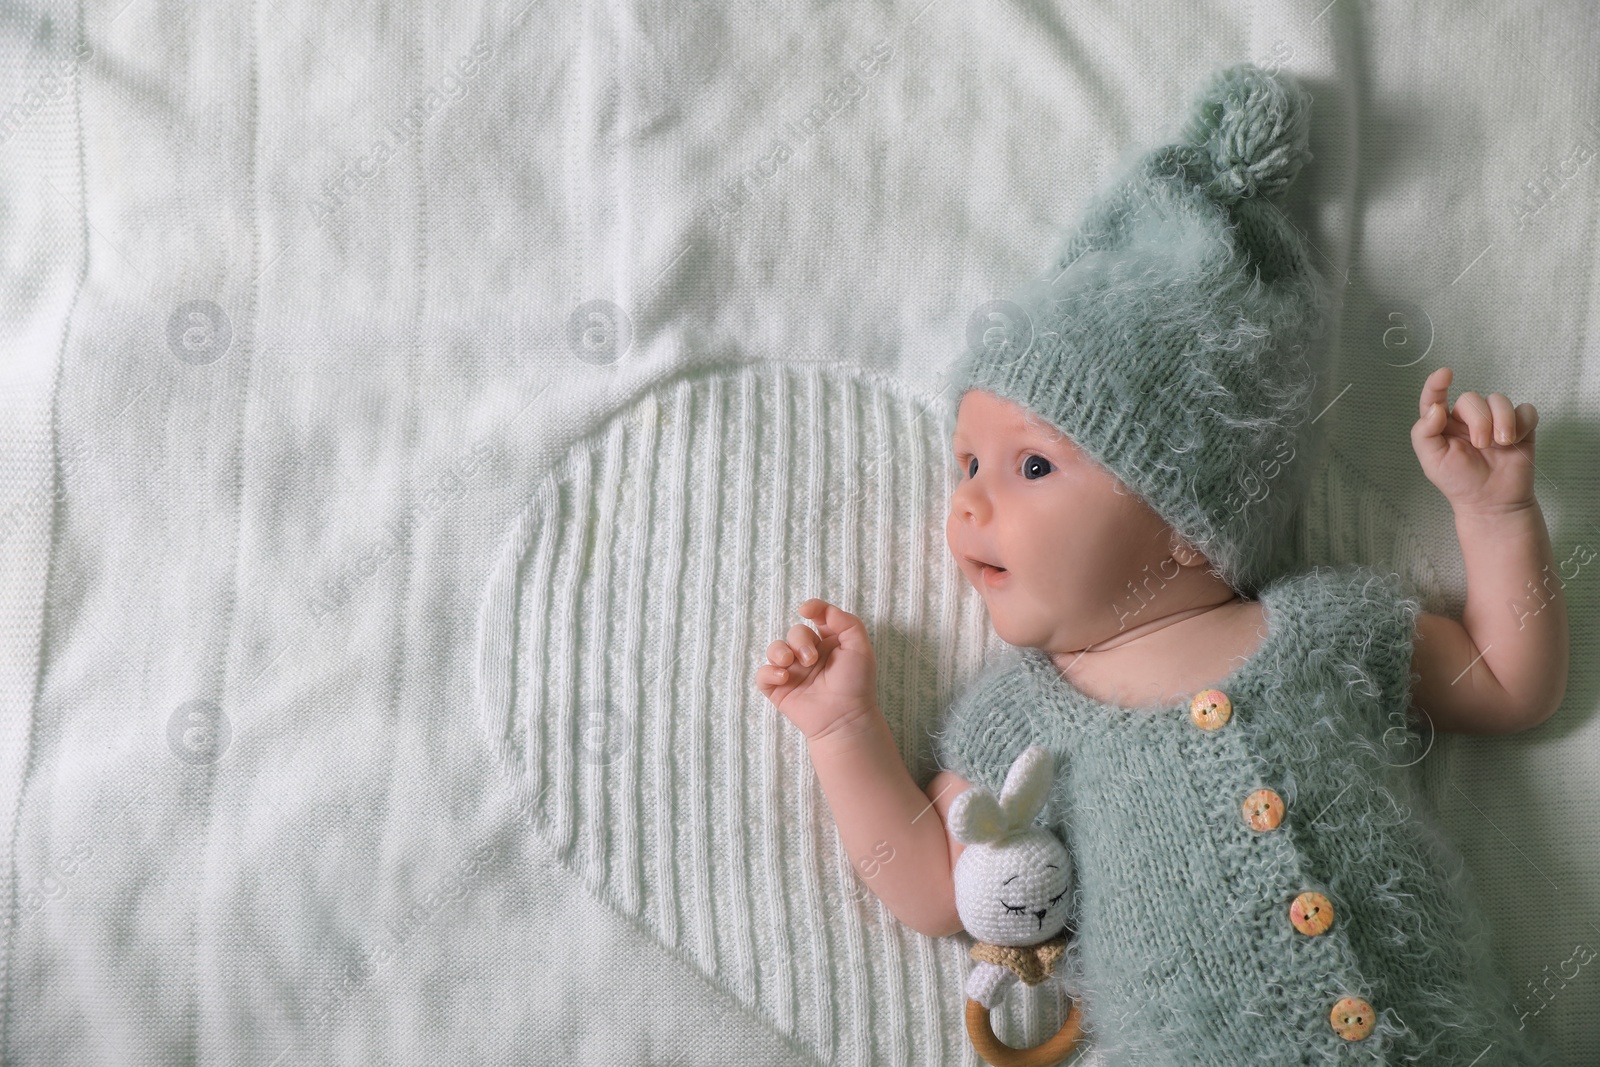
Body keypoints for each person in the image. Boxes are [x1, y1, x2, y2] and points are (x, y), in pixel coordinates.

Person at [755, 63, 1567, 1064]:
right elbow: (931, 884)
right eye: (965, 463)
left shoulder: (1327, 626)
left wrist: (1495, 512)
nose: (967, 498)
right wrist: (843, 727)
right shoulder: (1024, 724)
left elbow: (1507, 682)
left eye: (1031, 465)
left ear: (1187, 513)